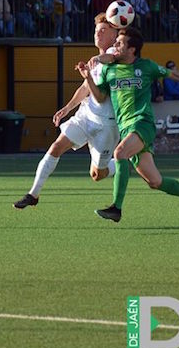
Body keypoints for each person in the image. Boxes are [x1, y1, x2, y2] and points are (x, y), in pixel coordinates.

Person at [77, 26, 179, 223]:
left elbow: (173, 74)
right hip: (126, 129)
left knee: (120, 153)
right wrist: (88, 77)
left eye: (120, 43)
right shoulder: (110, 69)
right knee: (155, 182)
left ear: (132, 49)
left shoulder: (146, 66)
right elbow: (99, 97)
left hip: (142, 123)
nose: (115, 45)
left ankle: (116, 208)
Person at [14, 14, 120, 209]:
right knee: (56, 147)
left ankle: (122, 160)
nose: (98, 33)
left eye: (104, 30)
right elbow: (85, 89)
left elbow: (112, 57)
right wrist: (66, 109)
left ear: (115, 34)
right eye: (97, 30)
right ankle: (33, 194)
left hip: (106, 124)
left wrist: (97, 58)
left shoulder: (115, 52)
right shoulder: (95, 61)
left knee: (97, 175)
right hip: (86, 115)